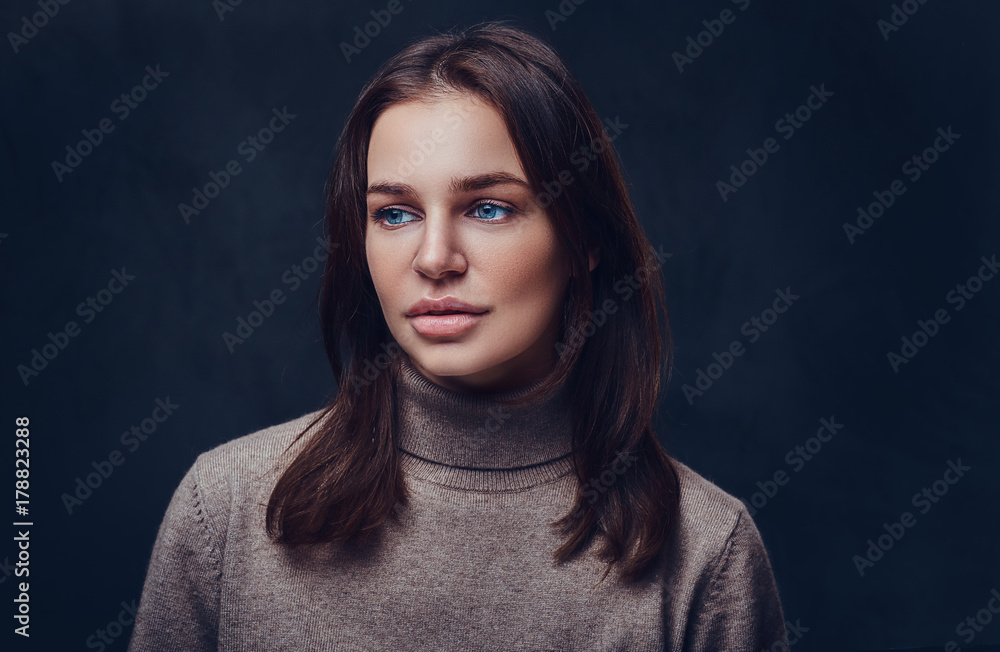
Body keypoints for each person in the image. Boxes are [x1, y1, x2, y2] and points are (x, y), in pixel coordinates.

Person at [128, 19, 787, 652]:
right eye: (395, 213)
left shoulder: (705, 551)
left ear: (584, 238)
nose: (434, 256)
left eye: (488, 207)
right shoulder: (226, 511)